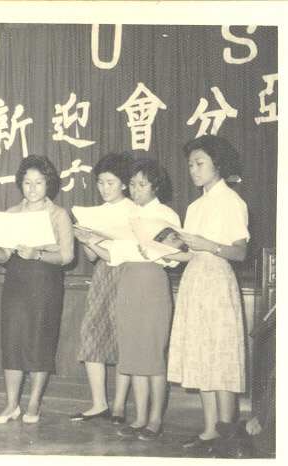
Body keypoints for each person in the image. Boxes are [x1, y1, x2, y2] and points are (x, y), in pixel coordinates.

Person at [166, 135, 249, 451]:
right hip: (194, 280)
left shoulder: (231, 201)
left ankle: (227, 433)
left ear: (218, 164)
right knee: (201, 355)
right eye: (190, 164)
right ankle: (209, 429)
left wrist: (208, 245)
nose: (193, 169)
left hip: (216, 281)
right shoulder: (195, 205)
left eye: (199, 163)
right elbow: (191, 252)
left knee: (221, 356)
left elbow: (240, 252)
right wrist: (167, 254)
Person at [0, 155, 74, 424]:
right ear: (20, 184)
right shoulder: (11, 214)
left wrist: (37, 254)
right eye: (27, 182)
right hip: (16, 281)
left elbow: (68, 256)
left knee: (40, 341)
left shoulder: (59, 214)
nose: (32, 188)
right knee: (12, 341)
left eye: (38, 182)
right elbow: (2, 258)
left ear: (49, 185)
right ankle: (11, 404)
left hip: (45, 281)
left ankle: (34, 403)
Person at [106, 158, 180, 440]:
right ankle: (138, 417)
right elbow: (115, 256)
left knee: (152, 355)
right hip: (128, 281)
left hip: (153, 282)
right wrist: (90, 240)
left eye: (141, 184)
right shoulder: (127, 215)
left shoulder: (167, 215)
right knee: (134, 353)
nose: (135, 190)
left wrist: (158, 252)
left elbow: (176, 257)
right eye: (133, 184)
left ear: (155, 186)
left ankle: (155, 418)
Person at [70, 152, 135, 424]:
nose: (104, 188)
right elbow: (93, 257)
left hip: (128, 273)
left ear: (124, 183)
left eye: (110, 182)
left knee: (124, 338)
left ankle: (119, 405)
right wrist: (85, 238)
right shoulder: (96, 212)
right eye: (100, 182)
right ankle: (100, 404)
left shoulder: (134, 210)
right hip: (102, 275)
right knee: (92, 335)